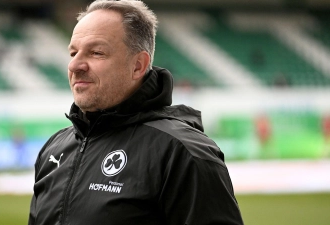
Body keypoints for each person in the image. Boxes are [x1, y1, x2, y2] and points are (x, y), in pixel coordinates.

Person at [28, 0, 244, 224]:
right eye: (73, 53)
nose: (75, 66)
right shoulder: (55, 149)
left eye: (96, 53)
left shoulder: (183, 153)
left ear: (138, 66)